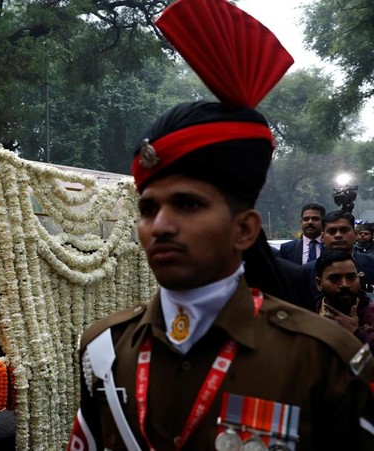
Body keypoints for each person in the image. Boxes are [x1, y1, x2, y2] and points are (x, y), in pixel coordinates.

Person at [67, 1, 374, 450]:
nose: (161, 226)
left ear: (245, 229)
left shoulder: (322, 359)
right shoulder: (104, 350)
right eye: (148, 209)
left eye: (188, 205)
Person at [297, 210, 374, 301]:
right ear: (322, 238)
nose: (338, 235)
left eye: (344, 230)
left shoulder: (371, 263)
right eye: (332, 231)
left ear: (355, 235)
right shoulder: (307, 271)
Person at [314, 250, 374, 346]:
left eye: (351, 277)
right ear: (319, 283)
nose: (344, 285)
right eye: (334, 279)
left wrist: (357, 333)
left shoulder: (371, 313)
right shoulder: (308, 313)